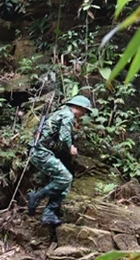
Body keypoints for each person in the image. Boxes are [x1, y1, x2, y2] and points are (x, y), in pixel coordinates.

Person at [26, 95, 92, 226]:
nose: (83, 114)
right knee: (65, 178)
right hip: (41, 153)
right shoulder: (68, 115)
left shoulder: (60, 112)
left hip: (43, 152)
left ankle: (48, 214)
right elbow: (64, 137)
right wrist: (70, 148)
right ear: (77, 107)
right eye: (84, 110)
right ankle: (36, 196)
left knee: (65, 184)